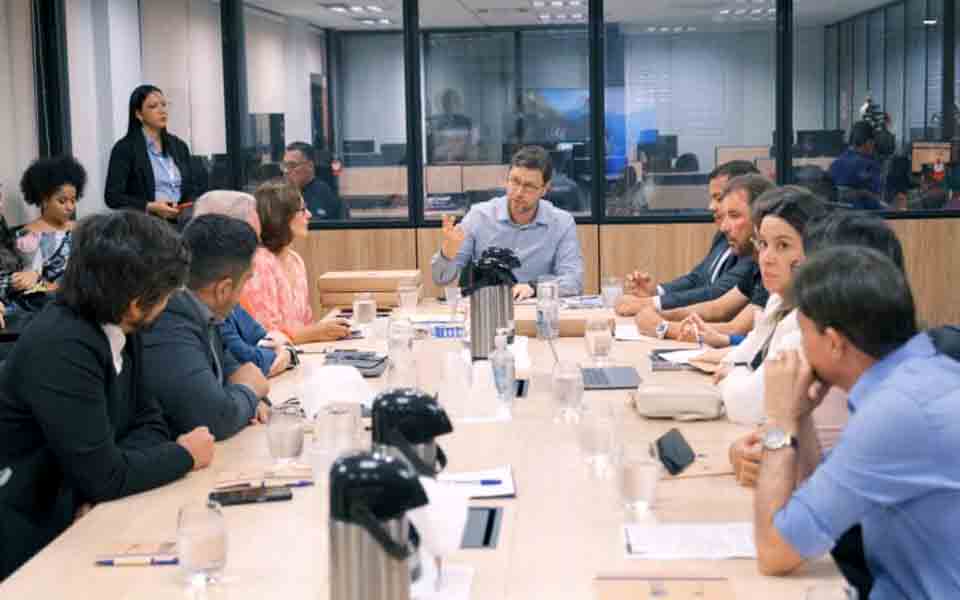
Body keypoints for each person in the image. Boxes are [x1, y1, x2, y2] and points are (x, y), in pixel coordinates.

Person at [0, 211, 215, 579]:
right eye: (166, 296)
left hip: (80, 511)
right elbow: (106, 475)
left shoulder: (120, 326)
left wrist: (103, 480)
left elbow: (150, 423)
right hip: (27, 536)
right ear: (136, 302)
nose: (167, 305)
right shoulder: (63, 345)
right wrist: (184, 455)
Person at [752, 245, 960, 599]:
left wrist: (778, 420)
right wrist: (799, 415)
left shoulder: (896, 414)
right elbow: (818, 501)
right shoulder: (921, 375)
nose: (799, 347)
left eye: (803, 334)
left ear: (834, 342)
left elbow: (775, 551)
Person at [728, 212, 907, 485]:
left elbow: (793, 501)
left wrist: (778, 425)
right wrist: (753, 447)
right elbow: (800, 468)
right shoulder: (878, 366)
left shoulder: (889, 413)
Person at [141, 214, 270, 441]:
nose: (243, 294)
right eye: (246, 281)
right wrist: (250, 393)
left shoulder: (204, 312)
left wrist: (251, 398)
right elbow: (215, 419)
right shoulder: (169, 321)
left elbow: (239, 373)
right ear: (223, 289)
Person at [711, 187, 827, 425]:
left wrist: (735, 374)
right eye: (763, 244)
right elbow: (734, 359)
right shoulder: (777, 300)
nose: (767, 258)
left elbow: (745, 407)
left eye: (782, 246)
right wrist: (739, 372)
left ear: (814, 252)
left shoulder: (809, 319)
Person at [623, 175, 776, 343]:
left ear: (760, 218)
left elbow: (736, 329)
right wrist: (660, 313)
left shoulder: (775, 266)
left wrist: (662, 326)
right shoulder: (756, 263)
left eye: (734, 215)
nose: (724, 227)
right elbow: (718, 308)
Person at [431, 145, 584, 299]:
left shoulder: (561, 222)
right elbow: (440, 279)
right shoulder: (479, 216)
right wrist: (447, 253)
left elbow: (573, 281)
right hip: (487, 308)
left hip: (536, 308)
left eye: (529, 186)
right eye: (515, 181)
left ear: (544, 189)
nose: (519, 192)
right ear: (507, 179)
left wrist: (534, 288)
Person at [618, 160, 761, 314]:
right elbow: (697, 278)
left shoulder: (756, 248)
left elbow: (717, 294)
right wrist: (657, 291)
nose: (711, 207)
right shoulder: (722, 235)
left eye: (719, 198)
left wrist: (652, 304)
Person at [192, 190, 294, 377]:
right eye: (249, 240)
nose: (256, 252)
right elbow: (248, 362)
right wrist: (283, 353)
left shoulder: (227, 291)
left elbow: (266, 336)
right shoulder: (208, 298)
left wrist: (285, 351)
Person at [244, 180, 350, 344]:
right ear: (282, 217)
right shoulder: (259, 263)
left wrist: (324, 332)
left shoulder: (295, 260)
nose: (309, 214)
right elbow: (267, 336)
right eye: (302, 210)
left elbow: (307, 323)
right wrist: (318, 332)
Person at [105, 84, 204, 223]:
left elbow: (191, 188)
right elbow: (112, 197)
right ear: (139, 114)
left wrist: (185, 207)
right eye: (153, 106)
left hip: (181, 221)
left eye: (164, 105)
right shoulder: (124, 148)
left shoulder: (179, 146)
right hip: (145, 224)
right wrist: (150, 206)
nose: (162, 110)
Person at [13, 155, 87, 294]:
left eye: (73, 200)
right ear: (44, 200)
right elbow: (30, 280)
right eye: (62, 201)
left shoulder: (82, 228)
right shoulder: (28, 235)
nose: (70, 207)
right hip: (50, 300)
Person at [282, 142, 347, 220]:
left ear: (310, 166)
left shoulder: (322, 194)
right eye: (285, 165)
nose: (286, 170)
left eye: (292, 165)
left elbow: (313, 224)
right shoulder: (282, 194)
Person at [828, 120, 884, 209]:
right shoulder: (869, 165)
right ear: (869, 142)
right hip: (864, 215)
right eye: (873, 142)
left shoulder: (834, 164)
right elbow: (876, 201)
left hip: (838, 215)